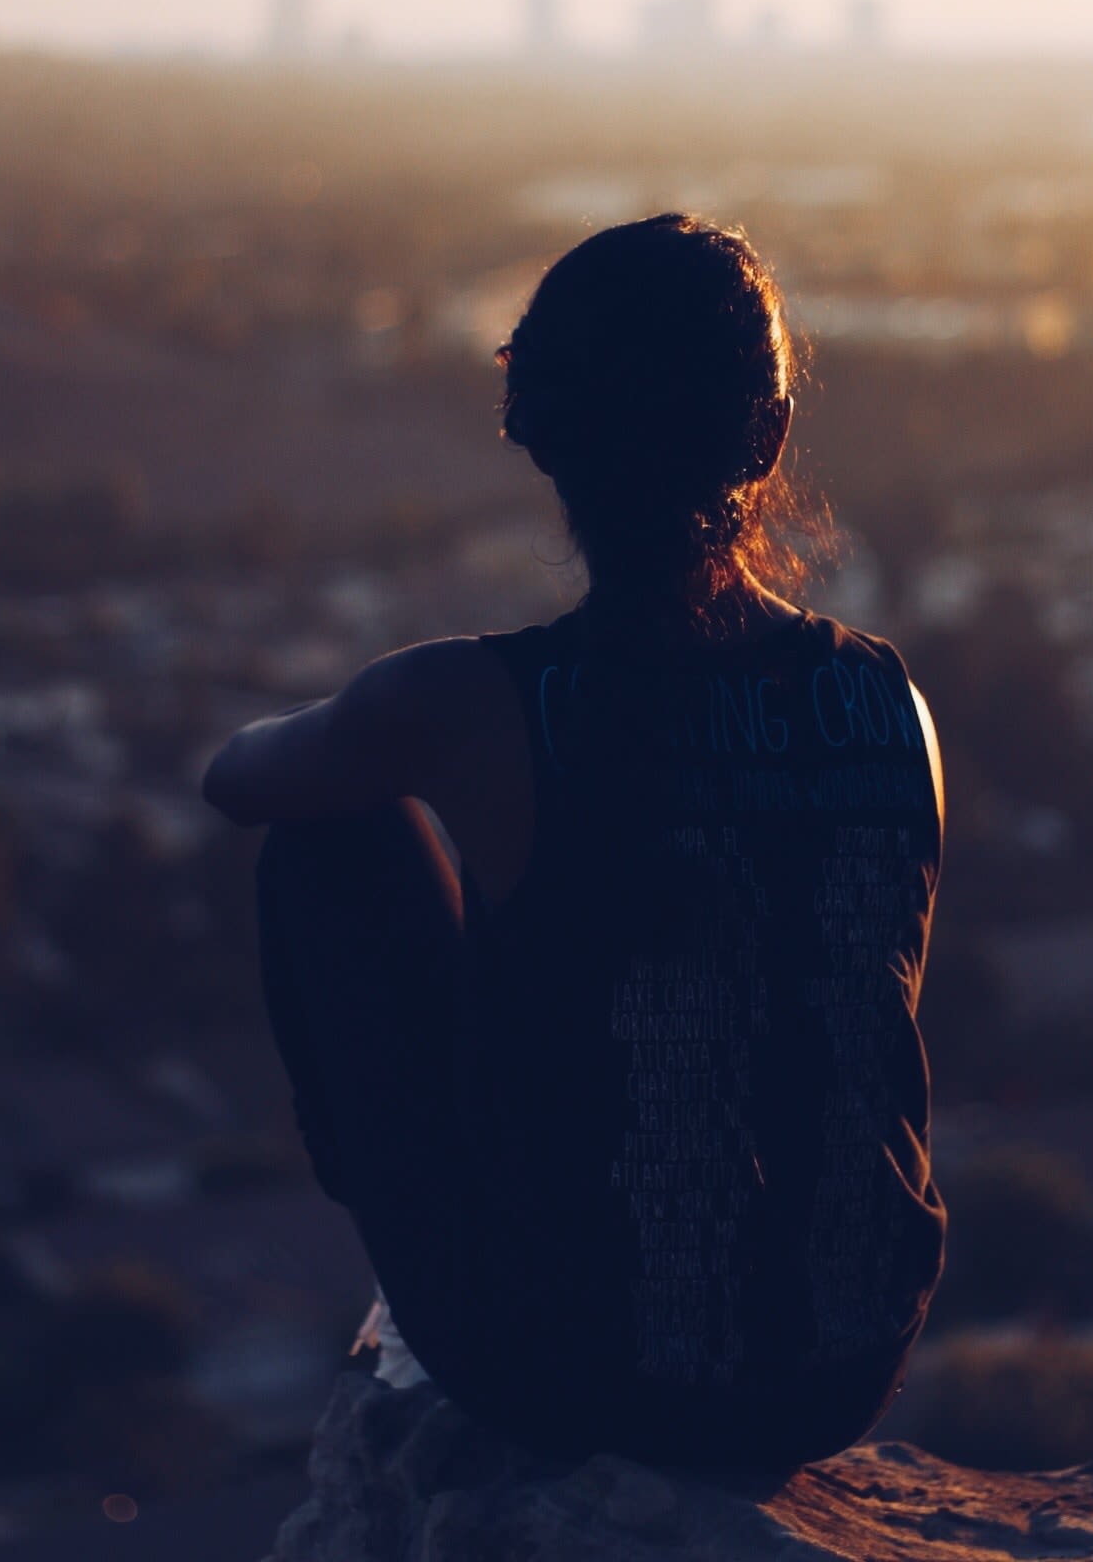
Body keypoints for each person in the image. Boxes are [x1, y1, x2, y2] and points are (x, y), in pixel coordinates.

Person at [203, 213, 945, 1480]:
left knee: (327, 844)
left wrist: (388, 727)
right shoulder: (891, 703)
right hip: (840, 1369)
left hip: (573, 1373)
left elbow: (237, 780)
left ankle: (425, 1260)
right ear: (766, 438)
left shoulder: (468, 705)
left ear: (538, 435)